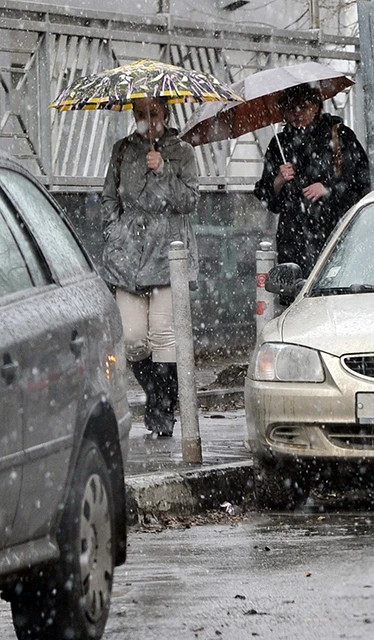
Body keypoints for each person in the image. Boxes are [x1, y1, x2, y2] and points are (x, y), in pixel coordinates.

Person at [100, 97, 200, 437]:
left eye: (153, 113)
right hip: (128, 256)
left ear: (166, 113)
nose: (147, 120)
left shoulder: (182, 151)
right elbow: (110, 196)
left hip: (167, 253)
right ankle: (157, 393)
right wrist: (114, 231)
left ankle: (161, 408)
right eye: (140, 114)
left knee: (164, 335)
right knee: (131, 338)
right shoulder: (122, 150)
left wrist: (164, 170)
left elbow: (189, 200)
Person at [254, 85, 371, 275]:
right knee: (295, 292)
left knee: (333, 285)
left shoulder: (339, 135)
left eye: (304, 107)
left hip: (334, 228)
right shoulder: (279, 144)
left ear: (316, 107)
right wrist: (279, 180)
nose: (297, 113)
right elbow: (270, 201)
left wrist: (328, 189)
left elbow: (361, 183)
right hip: (293, 237)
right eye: (291, 108)